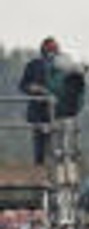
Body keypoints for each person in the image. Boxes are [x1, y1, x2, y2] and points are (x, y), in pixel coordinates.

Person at [15, 37, 59, 166]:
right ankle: (40, 173)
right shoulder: (33, 65)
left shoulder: (61, 67)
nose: (51, 51)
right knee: (39, 147)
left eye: (54, 48)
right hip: (38, 113)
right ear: (43, 49)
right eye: (49, 48)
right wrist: (34, 88)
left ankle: (53, 173)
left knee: (55, 146)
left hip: (56, 113)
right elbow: (23, 85)